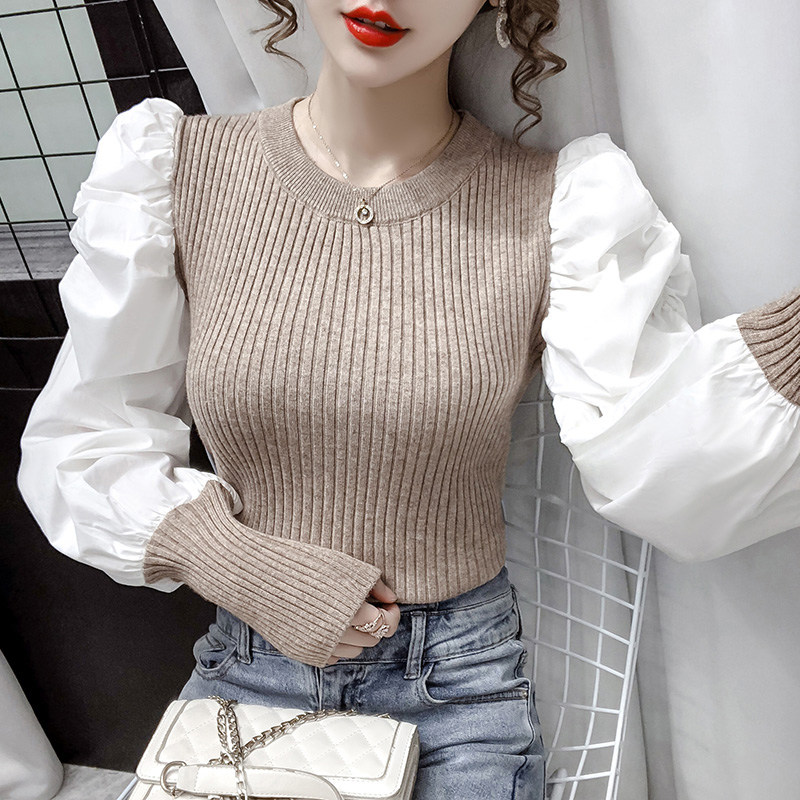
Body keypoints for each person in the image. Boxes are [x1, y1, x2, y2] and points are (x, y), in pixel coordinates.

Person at [15, 0, 800, 797]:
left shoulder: (560, 204)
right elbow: (85, 435)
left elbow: (654, 453)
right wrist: (236, 562)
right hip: (247, 677)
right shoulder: (178, 170)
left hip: (455, 694)